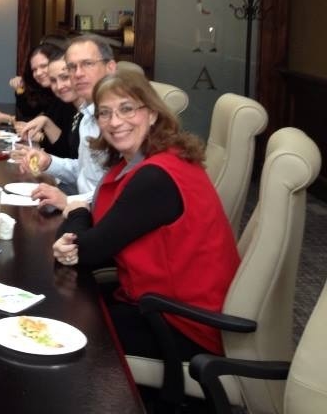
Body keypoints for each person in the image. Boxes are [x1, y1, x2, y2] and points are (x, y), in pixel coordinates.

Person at [52, 70, 239, 365]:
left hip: (184, 325)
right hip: (159, 303)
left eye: (127, 109)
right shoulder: (147, 161)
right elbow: (97, 237)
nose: (115, 122)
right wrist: (79, 225)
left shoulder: (155, 177)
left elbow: (89, 249)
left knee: (64, 330)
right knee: (69, 304)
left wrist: (75, 212)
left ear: (152, 114)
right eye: (105, 113)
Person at [16, 34, 117, 209]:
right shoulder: (87, 115)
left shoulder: (119, 120)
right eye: (72, 67)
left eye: (87, 64)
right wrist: (48, 162)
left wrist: (67, 201)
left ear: (110, 67)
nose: (78, 73)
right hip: (81, 208)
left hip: (100, 217)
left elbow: (117, 189)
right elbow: (86, 171)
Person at [15, 50, 79, 159]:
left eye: (65, 77)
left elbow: (67, 151)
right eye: (34, 69)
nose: (59, 86)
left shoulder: (77, 106)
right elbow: (27, 113)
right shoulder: (54, 96)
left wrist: (41, 136)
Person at [0, 42, 65, 124]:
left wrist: (6, 118)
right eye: (34, 70)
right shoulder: (44, 91)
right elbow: (27, 115)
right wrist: (19, 89)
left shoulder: (64, 93)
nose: (38, 73)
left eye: (43, 66)